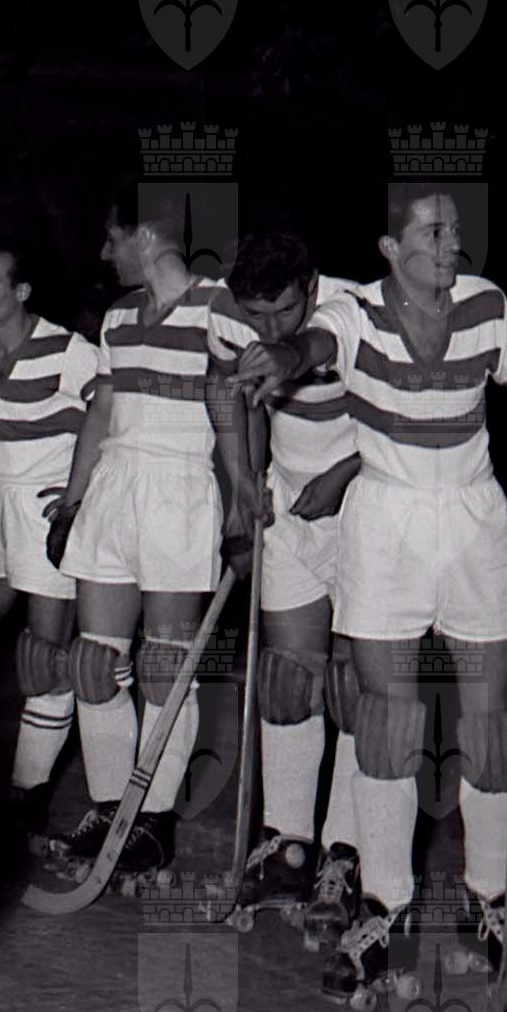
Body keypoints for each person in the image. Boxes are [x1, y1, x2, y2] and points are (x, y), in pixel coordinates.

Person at [237, 187, 507, 1001]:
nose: (451, 245)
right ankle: (382, 910)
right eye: (433, 233)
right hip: (383, 527)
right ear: (390, 247)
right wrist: (282, 359)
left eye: (454, 232)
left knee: (491, 728)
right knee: (385, 725)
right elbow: (312, 345)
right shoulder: (355, 314)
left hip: (475, 523)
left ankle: (493, 908)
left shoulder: (488, 305)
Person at [42, 194, 229, 885]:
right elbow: (102, 412)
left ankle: (151, 820)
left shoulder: (219, 307)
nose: (105, 253)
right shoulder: (119, 316)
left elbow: (241, 412)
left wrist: (246, 498)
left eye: (111, 237)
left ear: (146, 235)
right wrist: (72, 501)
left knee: (166, 666)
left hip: (181, 489)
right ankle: (108, 808)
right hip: (115, 487)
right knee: (93, 661)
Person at [203, 233, 363, 941]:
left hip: (368, 501)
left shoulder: (358, 312)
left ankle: (346, 856)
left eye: (285, 312)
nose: (269, 330)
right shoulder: (225, 317)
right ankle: (290, 846)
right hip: (289, 503)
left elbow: (412, 420)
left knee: (356, 687)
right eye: (256, 314)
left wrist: (346, 473)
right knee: (288, 676)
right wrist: (242, 482)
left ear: (314, 285)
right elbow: (223, 389)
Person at [0, 248, 99, 862]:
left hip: (46, 508)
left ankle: (27, 792)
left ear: (23, 291)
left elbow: (114, 417)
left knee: (44, 656)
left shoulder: (70, 350)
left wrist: (79, 495)